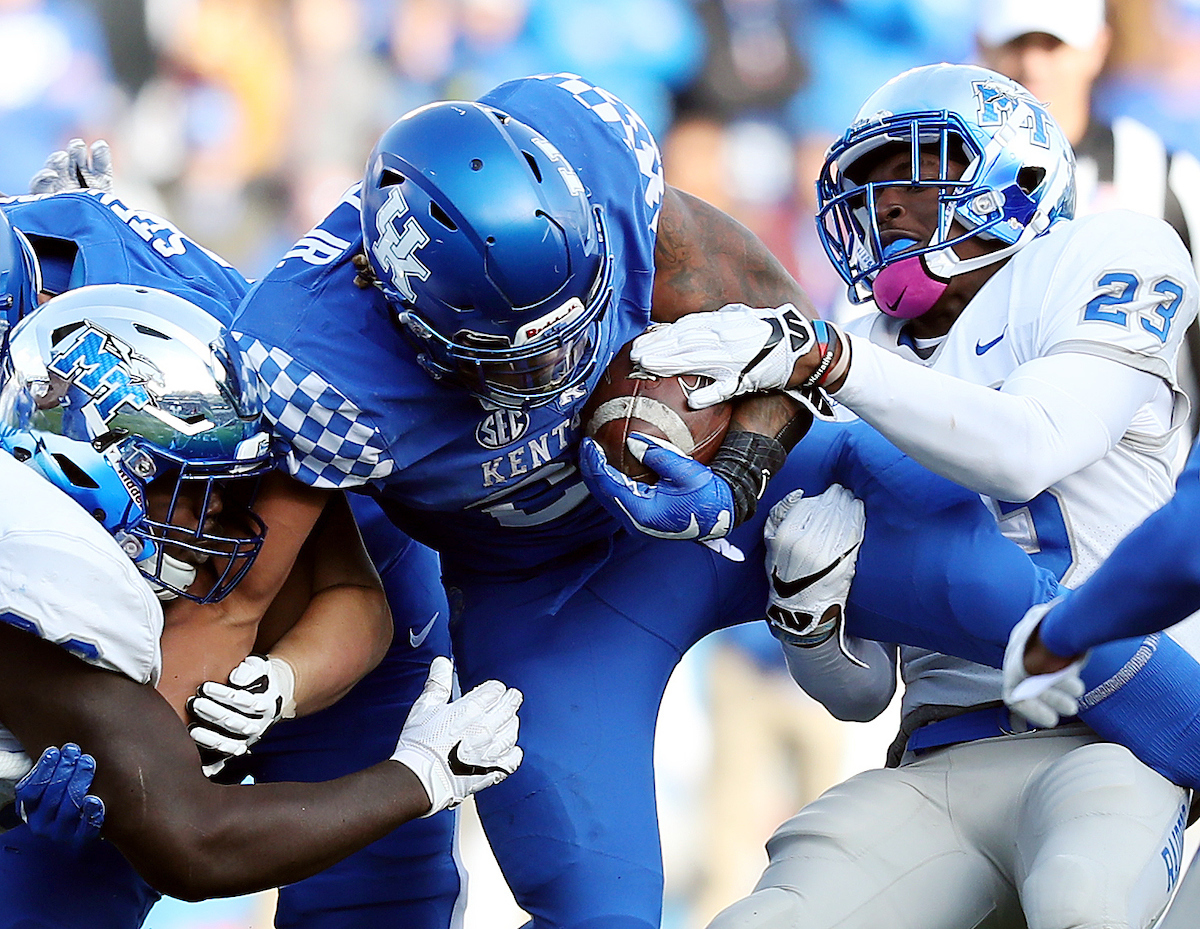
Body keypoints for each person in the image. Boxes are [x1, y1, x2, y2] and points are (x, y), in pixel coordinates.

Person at [228, 71, 843, 929]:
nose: (555, 369)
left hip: (732, 518)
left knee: (977, 561)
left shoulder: (599, 166)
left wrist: (741, 466)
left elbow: (784, 317)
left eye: (573, 326)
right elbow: (269, 594)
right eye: (511, 355)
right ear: (392, 299)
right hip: (541, 599)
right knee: (601, 914)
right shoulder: (321, 371)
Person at [625, 62, 1200, 929]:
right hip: (938, 751)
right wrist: (810, 621)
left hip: (1111, 734)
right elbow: (860, 693)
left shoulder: (1106, 252)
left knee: (1089, 904)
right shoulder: (853, 344)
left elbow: (1029, 447)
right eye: (864, 183)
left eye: (910, 169)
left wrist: (834, 365)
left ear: (1019, 174)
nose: (882, 202)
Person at [0, 163, 475, 928]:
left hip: (328, 563)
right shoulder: (37, 509)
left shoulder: (240, 393)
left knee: (372, 904)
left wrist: (284, 686)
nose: (219, 512)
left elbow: (188, 830)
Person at [975, 0, 1200, 440]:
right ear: (985, 49)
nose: (1033, 64)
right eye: (1018, 43)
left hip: (1151, 478)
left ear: (1098, 47)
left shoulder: (1167, 177)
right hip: (990, 469)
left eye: (1053, 44)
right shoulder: (949, 184)